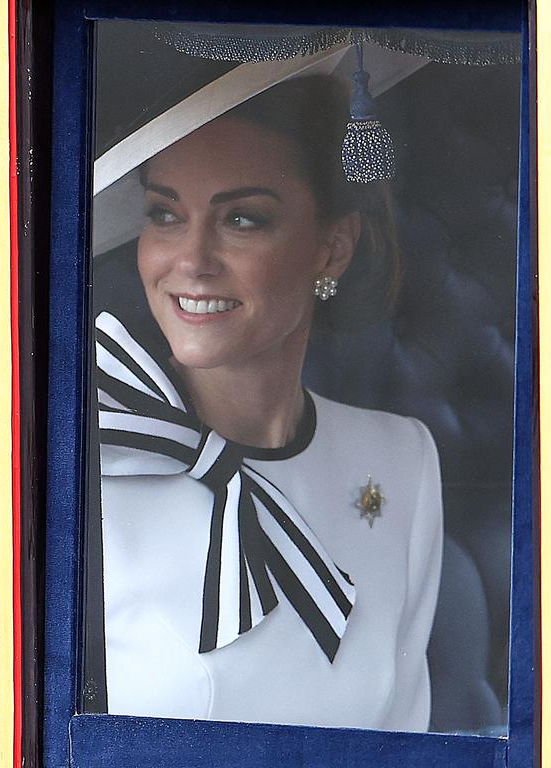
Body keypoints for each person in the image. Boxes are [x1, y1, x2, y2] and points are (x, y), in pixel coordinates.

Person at [92, 74, 443, 731]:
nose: (191, 260)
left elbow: (403, 734)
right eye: (166, 215)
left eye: (241, 219)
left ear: (331, 248)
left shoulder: (400, 461)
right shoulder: (87, 458)